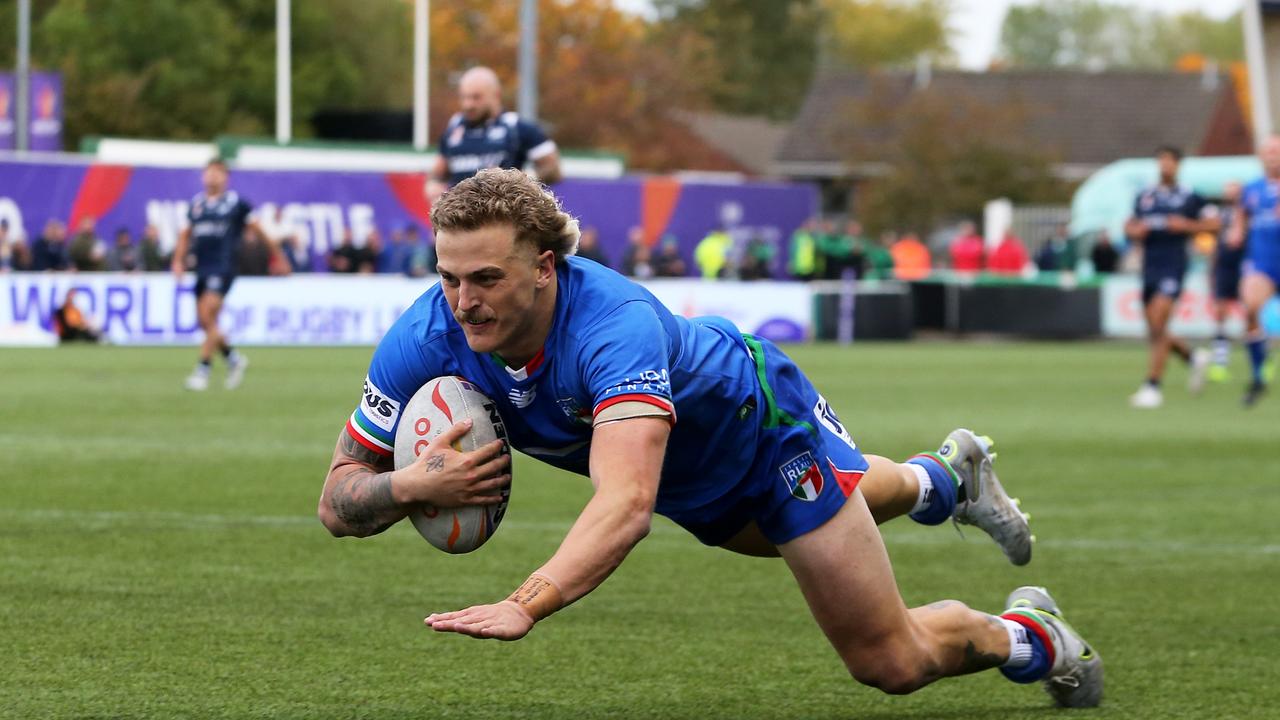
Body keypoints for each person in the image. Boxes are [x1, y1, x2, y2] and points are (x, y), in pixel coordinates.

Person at [317, 169, 1101, 709]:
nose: (462, 301)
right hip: (694, 485)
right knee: (853, 503)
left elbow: (625, 503)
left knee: (887, 662)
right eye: (449, 277)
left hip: (762, 432)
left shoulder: (610, 328)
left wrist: (529, 601)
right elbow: (337, 499)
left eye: (485, 278)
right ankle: (944, 480)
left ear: (546, 267)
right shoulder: (424, 334)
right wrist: (409, 486)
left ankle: (1030, 636)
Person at [1123, 146, 1219, 409]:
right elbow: (1129, 225)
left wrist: (1187, 226)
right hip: (1149, 267)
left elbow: (1215, 223)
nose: (1165, 166)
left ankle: (1152, 386)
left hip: (1174, 265)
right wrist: (1134, 231)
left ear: (1178, 165)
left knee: (1158, 323)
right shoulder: (1145, 196)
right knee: (1156, 329)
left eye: (1169, 162)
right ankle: (1192, 357)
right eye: (1161, 161)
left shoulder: (1190, 197)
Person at [171, 158, 257, 392]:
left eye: (217, 173)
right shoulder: (197, 204)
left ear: (225, 177)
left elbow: (256, 228)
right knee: (204, 322)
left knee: (208, 314)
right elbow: (185, 235)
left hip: (223, 267)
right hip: (201, 268)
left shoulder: (235, 203)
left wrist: (276, 255)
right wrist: (178, 261)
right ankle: (233, 358)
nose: (212, 177)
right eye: (209, 172)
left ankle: (203, 370)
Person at [430, 66, 560, 195]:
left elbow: (553, 169)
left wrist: (521, 181)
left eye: (476, 97)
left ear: (496, 95)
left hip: (502, 212)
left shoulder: (515, 127)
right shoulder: (455, 128)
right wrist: (433, 185)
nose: (468, 105)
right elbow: (437, 174)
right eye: (464, 97)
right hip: (461, 212)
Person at [1229, 135, 1280, 406]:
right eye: (1268, 151)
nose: (1273, 156)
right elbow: (1240, 220)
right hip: (1262, 262)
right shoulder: (1251, 189)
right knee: (1250, 311)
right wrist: (1236, 233)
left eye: (1277, 151)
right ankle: (1259, 375)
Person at [1204, 182, 1246, 386]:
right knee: (1221, 314)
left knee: (1252, 315)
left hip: (1245, 268)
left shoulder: (1248, 214)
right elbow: (1215, 246)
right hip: (1224, 269)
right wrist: (1211, 270)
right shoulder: (1220, 216)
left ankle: (1261, 360)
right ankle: (1220, 363)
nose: (1230, 195)